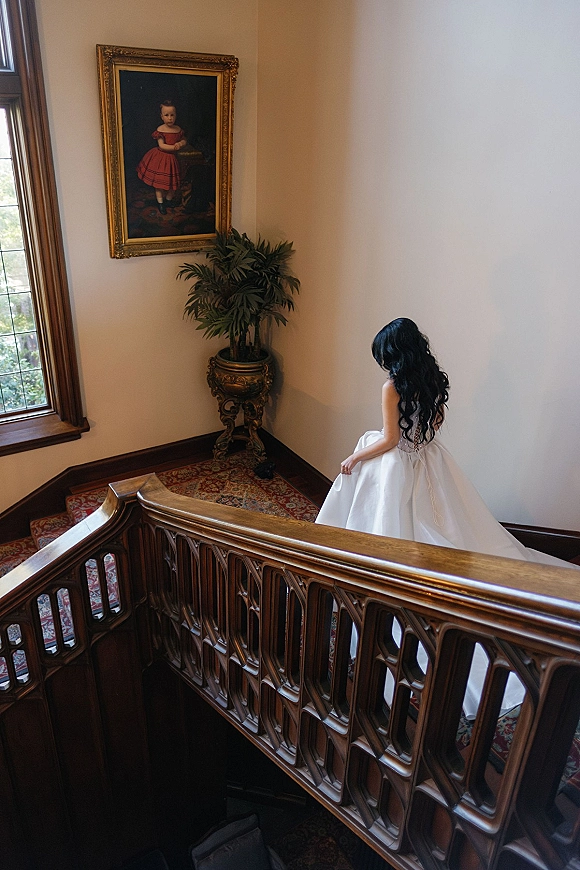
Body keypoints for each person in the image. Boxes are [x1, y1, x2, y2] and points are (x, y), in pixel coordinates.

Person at [316, 317, 578, 569]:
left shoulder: (392, 387)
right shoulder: (433, 378)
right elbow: (436, 422)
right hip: (426, 454)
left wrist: (356, 457)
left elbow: (390, 439)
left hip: (398, 457)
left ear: (395, 353)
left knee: (366, 455)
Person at [137, 100, 187, 214]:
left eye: (172, 115)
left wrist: (181, 143)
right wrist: (174, 147)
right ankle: (161, 203)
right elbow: (162, 145)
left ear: (176, 115)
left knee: (172, 185)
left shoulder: (177, 129)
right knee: (159, 184)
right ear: (161, 116)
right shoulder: (160, 130)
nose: (170, 118)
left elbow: (183, 139)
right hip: (160, 159)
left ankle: (168, 200)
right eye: (166, 115)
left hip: (172, 160)